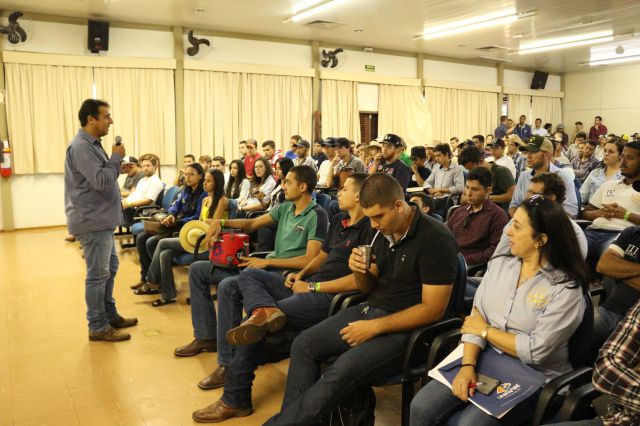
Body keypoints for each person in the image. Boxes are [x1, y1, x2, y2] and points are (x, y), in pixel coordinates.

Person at [265, 173, 458, 425]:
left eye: (379, 217)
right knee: (304, 345)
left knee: (340, 371)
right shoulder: (382, 232)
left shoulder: (434, 238)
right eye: (370, 218)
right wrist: (359, 270)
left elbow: (433, 309)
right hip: (371, 309)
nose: (374, 225)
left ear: (399, 206)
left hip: (409, 330)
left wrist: (375, 327)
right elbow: (367, 286)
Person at [191, 174, 371, 423]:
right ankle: (263, 311)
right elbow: (321, 258)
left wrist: (313, 285)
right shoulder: (340, 220)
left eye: (344, 189)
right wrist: (301, 275)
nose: (338, 192)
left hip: (327, 296)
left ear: (359, 196)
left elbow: (359, 280)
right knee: (249, 275)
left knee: (252, 326)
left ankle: (235, 399)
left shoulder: (367, 228)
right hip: (306, 283)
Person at [411, 196, 589, 426]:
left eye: (517, 226)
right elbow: (477, 316)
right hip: (485, 358)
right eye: (511, 223)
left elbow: (536, 351)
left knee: (469, 424)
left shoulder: (565, 287)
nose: (508, 231)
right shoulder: (501, 265)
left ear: (540, 240)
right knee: (421, 407)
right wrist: (467, 365)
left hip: (535, 376)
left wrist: (485, 331)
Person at [173, 166, 328, 387]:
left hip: (285, 275)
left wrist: (268, 262)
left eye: (288, 182)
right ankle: (207, 337)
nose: (283, 186)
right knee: (199, 270)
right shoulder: (286, 208)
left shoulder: (317, 215)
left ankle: (227, 364)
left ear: (302, 187)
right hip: (265, 269)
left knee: (228, 286)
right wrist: (221, 223)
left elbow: (310, 260)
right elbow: (252, 223)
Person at [64, 98, 137, 342]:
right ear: (91, 119)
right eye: (106, 116)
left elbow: (101, 174)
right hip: (92, 221)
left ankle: (109, 315)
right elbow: (101, 181)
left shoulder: (92, 144)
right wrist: (115, 158)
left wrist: (117, 167)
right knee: (97, 275)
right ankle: (97, 326)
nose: (111, 121)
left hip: (101, 220)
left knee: (110, 268)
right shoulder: (81, 147)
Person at [145, 168, 229, 306]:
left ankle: (152, 281)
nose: (204, 183)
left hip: (208, 242)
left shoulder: (222, 201)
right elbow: (199, 222)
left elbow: (214, 225)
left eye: (208, 181)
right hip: (197, 237)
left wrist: (201, 225)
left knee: (162, 243)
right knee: (165, 254)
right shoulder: (205, 200)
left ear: (217, 183)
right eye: (205, 180)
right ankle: (168, 295)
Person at [133, 163, 207, 294]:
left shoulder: (204, 194)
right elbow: (176, 205)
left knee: (151, 242)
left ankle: (154, 280)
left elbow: (197, 218)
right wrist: (172, 214)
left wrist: (177, 221)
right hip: (177, 225)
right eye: (186, 174)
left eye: (191, 174)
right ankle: (147, 278)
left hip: (189, 230)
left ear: (201, 176)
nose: (187, 177)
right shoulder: (186, 189)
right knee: (141, 238)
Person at [495, 173, 588, 260]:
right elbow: (499, 255)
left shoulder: (572, 233)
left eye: (533, 194)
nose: (527, 197)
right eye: (528, 192)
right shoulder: (516, 221)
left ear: (551, 198)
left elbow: (570, 267)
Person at [582, 141, 640, 270]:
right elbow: (585, 213)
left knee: (609, 262)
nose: (623, 162)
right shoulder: (609, 185)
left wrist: (625, 215)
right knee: (565, 252)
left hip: (621, 237)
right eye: (622, 156)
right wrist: (600, 213)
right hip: (592, 231)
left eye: (630, 158)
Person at [589, 225, 640, 359]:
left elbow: (612, 268)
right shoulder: (632, 233)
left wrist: (620, 273)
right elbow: (604, 265)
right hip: (609, 311)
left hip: (636, 326)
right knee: (571, 329)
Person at [447, 167, 510, 266]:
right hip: (450, 260)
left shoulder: (498, 216)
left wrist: (463, 262)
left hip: (472, 267)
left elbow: (494, 251)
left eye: (475, 189)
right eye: (467, 187)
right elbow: (445, 237)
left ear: (488, 190)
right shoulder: (459, 212)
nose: (468, 193)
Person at [508, 135, 579, 219]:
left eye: (533, 152)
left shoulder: (562, 177)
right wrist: (521, 221)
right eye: (527, 152)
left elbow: (571, 212)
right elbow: (514, 205)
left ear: (547, 155)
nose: (528, 156)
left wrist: (540, 223)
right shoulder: (524, 176)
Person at [458, 146, 515, 211]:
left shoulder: (501, 172)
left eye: (471, 168)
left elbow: (513, 195)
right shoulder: (473, 174)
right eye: (469, 170)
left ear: (481, 161)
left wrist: (488, 198)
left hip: (496, 212)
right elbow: (462, 199)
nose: (471, 172)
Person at [257, 158, 295, 252]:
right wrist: (260, 199)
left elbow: (286, 206)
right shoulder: (278, 183)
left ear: (286, 169)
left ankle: (262, 252)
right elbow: (268, 205)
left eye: (279, 169)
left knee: (263, 225)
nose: (276, 171)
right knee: (252, 218)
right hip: (269, 212)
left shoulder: (290, 185)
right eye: (276, 168)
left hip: (279, 216)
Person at [121, 153, 164, 225]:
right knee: (110, 205)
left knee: (110, 211)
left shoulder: (155, 182)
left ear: (155, 166)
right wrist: (124, 201)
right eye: (143, 166)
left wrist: (128, 203)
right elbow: (134, 194)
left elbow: (148, 201)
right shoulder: (143, 179)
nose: (145, 168)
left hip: (142, 211)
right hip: (133, 207)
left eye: (148, 166)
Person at [580, 137, 624, 206]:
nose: (606, 154)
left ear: (621, 155)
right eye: (605, 150)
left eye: (611, 152)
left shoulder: (624, 177)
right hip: (591, 210)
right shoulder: (595, 173)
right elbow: (582, 196)